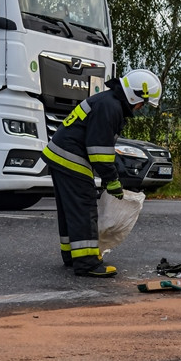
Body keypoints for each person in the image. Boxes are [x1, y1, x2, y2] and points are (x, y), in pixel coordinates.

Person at [42, 69, 162, 277]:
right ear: (135, 95)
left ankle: (73, 255)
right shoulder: (110, 106)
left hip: (60, 155)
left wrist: (112, 174)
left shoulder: (108, 101)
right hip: (71, 158)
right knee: (84, 205)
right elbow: (98, 149)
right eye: (143, 103)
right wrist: (112, 179)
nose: (141, 108)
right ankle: (87, 262)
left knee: (70, 209)